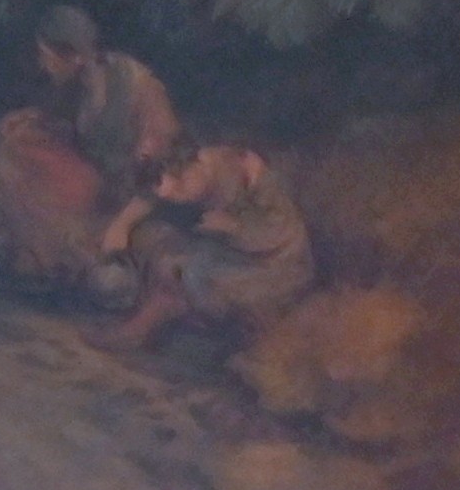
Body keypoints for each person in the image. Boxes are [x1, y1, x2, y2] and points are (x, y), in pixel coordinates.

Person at [0, 4, 184, 299]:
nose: (43, 64)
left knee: (115, 278)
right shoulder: (78, 82)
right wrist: (30, 121)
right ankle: (50, 258)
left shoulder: (135, 85)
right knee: (11, 145)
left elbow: (163, 169)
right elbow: (70, 129)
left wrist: (122, 224)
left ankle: (84, 260)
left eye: (46, 56)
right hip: (95, 184)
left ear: (74, 56)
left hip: (133, 200)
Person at [103, 137, 316, 349]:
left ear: (195, 166)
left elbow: (279, 232)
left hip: (276, 264)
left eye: (180, 186)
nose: (178, 197)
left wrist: (232, 226)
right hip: (229, 248)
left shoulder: (247, 173)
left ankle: (139, 332)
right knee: (172, 256)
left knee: (194, 274)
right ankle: (142, 326)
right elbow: (152, 197)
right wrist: (122, 224)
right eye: (170, 195)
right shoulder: (187, 173)